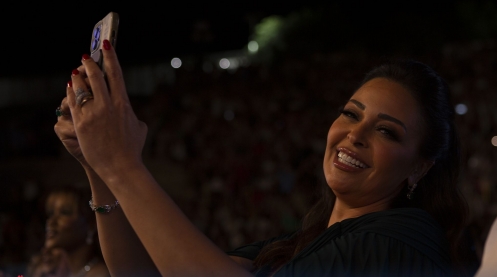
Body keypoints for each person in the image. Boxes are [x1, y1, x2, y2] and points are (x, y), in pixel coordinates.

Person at [53, 40, 474, 276]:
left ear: (421, 165)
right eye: (350, 114)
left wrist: (122, 165)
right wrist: (97, 165)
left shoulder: (398, 241)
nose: (355, 135)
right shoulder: (292, 246)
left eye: (386, 131)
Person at [26, 186, 109, 277]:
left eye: (65, 212)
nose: (51, 221)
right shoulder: (54, 271)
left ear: (91, 225)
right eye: (50, 213)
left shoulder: (100, 274)